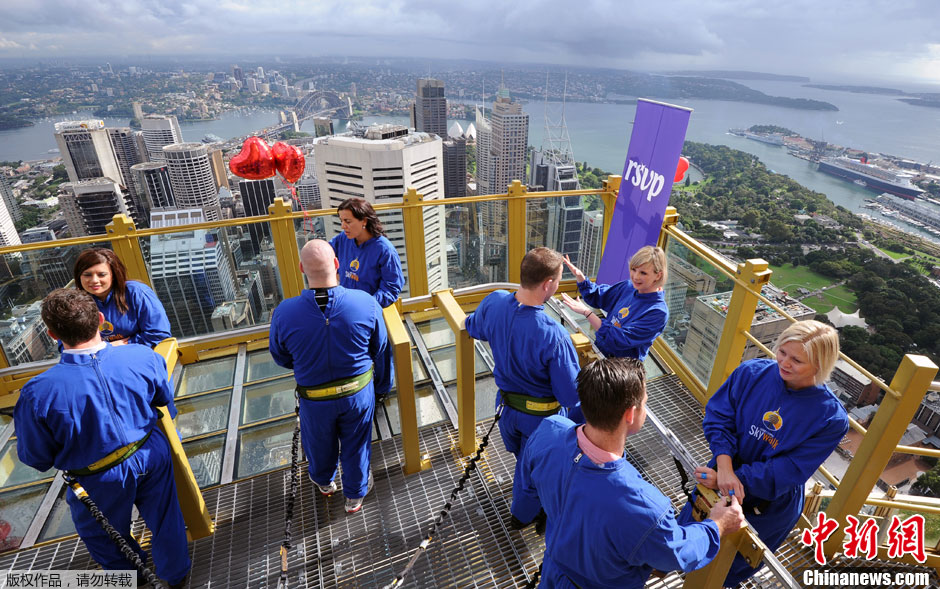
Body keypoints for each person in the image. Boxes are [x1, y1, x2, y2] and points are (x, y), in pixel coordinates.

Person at [512, 357, 745, 588]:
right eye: (645, 401)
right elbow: (679, 553)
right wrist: (717, 525)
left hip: (554, 572)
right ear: (630, 414)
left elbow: (528, 484)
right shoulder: (644, 507)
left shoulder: (549, 431)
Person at [14, 289, 190, 589]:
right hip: (149, 449)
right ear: (100, 319)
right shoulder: (142, 356)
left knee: (104, 536)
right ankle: (176, 575)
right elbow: (163, 399)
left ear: (52, 333)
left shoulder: (38, 392)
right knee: (164, 518)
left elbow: (36, 456)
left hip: (95, 474)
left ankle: (132, 578)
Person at [678, 320, 849, 587]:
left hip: (768, 502)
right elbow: (719, 417)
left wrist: (733, 478)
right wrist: (724, 468)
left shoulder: (830, 418)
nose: (784, 363)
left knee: (726, 570)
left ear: (820, 364)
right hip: (722, 475)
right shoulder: (751, 373)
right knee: (688, 538)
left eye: (797, 360)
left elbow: (789, 469)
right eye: (782, 352)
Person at [269, 239, 390, 514]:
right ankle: (354, 496)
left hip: (314, 396)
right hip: (357, 392)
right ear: (337, 264)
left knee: (318, 440)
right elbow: (379, 347)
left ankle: (324, 482)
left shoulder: (284, 313)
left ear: (301, 268)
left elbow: (281, 356)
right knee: (356, 443)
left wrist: (309, 365)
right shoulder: (365, 303)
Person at [464, 247, 581, 517]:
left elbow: (473, 326)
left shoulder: (494, 303)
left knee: (522, 460)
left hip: (505, 411)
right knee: (531, 473)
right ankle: (523, 515)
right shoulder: (554, 335)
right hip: (539, 420)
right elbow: (569, 397)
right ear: (548, 284)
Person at [561, 245, 668, 362]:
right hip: (599, 351)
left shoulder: (658, 312)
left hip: (620, 369)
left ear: (658, 275)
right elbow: (599, 296)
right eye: (633, 269)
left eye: (643, 273)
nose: (636, 277)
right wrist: (581, 279)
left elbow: (619, 340)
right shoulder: (629, 287)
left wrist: (587, 313)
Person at [73, 247, 171, 348]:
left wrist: (124, 345)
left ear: (114, 275)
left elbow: (159, 333)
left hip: (139, 354)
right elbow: (67, 345)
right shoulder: (74, 303)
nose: (94, 280)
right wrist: (107, 347)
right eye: (87, 275)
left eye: (101, 275)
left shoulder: (137, 293)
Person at [329, 197, 404, 309]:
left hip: (369, 311)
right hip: (344, 305)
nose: (343, 226)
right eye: (342, 221)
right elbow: (324, 253)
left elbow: (391, 289)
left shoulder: (384, 250)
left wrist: (364, 305)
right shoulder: (343, 239)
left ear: (364, 221)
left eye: (348, 221)